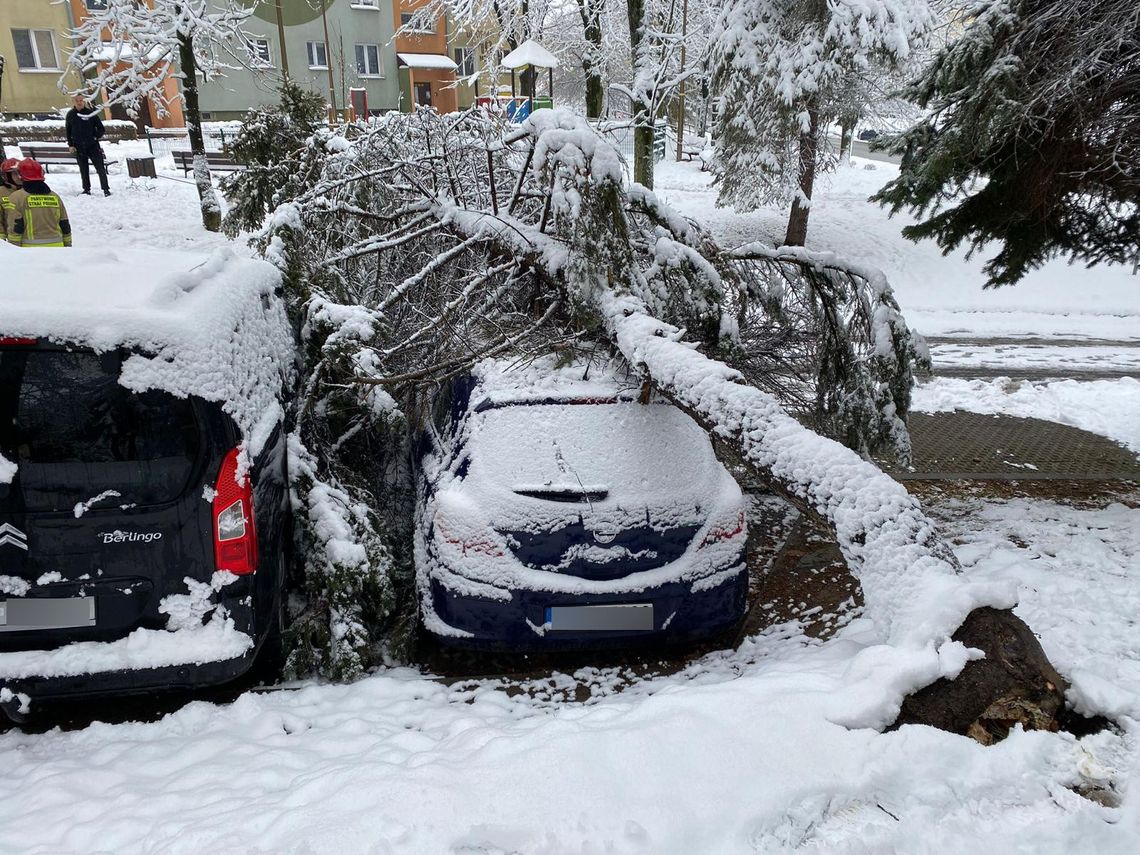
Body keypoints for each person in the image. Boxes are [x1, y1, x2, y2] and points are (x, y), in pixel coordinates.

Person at [8, 159, 73, 248]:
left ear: (20, 176)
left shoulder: (16, 197)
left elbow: (15, 227)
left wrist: (14, 250)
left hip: (31, 250)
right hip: (58, 248)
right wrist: (68, 247)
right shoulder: (55, 196)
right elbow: (64, 224)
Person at [65, 95, 111, 197]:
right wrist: (71, 144)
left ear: (84, 101)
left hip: (92, 146)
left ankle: (105, 189)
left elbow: (101, 128)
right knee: (83, 169)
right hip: (78, 146)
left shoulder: (90, 114)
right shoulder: (71, 115)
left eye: (81, 100)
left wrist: (95, 137)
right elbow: (68, 131)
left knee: (100, 168)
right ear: (74, 102)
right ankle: (86, 189)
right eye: (77, 101)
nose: (79, 102)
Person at [0, 157, 22, 244]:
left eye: (20, 172)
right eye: (15, 174)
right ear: (7, 176)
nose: (19, 176)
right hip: (9, 242)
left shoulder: (29, 190)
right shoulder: (1, 192)